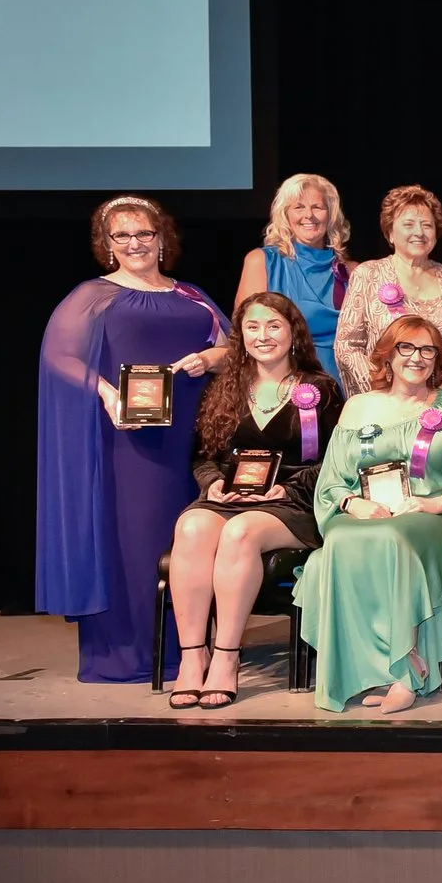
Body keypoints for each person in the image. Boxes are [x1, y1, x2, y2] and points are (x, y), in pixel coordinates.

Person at [36, 196, 232, 683]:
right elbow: (58, 356)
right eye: (120, 236)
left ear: (162, 238)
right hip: (129, 440)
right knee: (134, 539)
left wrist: (209, 360)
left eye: (143, 233)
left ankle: (188, 650)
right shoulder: (93, 295)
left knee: (185, 539)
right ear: (106, 245)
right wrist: (106, 395)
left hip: (190, 441)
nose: (134, 243)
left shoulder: (192, 295)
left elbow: (236, 350)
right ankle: (128, 654)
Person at [294, 314, 442, 713]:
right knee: (338, 542)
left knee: (393, 538)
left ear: (438, 359)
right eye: (406, 348)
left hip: (431, 518)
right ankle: (353, 672)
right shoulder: (358, 407)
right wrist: (351, 502)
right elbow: (331, 484)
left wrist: (433, 503)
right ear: (388, 356)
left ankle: (405, 670)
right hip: (363, 513)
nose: (417, 357)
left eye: (427, 349)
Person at [166, 292, 343, 709]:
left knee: (240, 532)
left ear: (293, 332)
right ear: (240, 335)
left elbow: (338, 459)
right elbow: (204, 456)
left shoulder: (319, 390)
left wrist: (291, 487)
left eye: (273, 326)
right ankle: (193, 658)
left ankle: (227, 658)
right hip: (230, 497)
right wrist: (211, 484)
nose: (263, 336)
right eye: (253, 327)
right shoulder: (225, 388)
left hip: (293, 503)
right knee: (190, 527)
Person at [335, 186, 442, 397]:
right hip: (384, 404)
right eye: (409, 224)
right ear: (390, 233)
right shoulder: (368, 275)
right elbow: (347, 345)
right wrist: (383, 393)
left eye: (427, 225)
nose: (419, 233)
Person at [234, 173, 355, 378]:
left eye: (318, 207)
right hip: (282, 380)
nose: (309, 215)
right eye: (299, 207)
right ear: (285, 215)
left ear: (331, 214)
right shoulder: (261, 261)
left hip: (343, 384)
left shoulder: (353, 272)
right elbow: (245, 331)